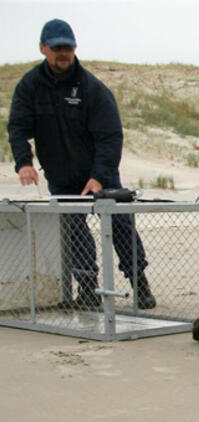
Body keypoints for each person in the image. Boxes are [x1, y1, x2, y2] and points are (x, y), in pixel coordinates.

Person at [7, 19, 156, 309]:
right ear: (43, 48)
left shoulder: (92, 88)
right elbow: (18, 127)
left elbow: (110, 136)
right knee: (74, 230)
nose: (63, 53)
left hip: (100, 175)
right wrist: (23, 162)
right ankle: (87, 288)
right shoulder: (29, 86)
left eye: (68, 48)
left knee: (121, 224)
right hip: (61, 177)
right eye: (57, 48)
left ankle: (140, 283)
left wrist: (99, 176)